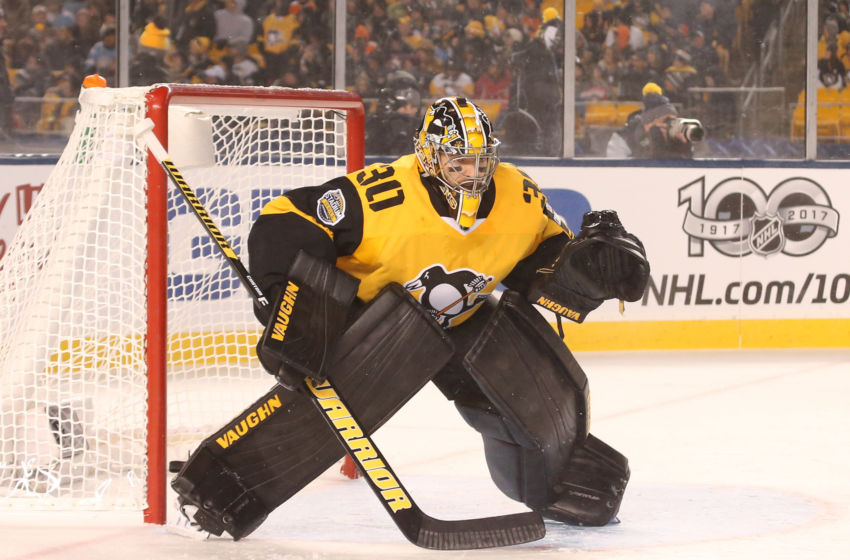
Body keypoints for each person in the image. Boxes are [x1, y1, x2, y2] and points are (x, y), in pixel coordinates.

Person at [170, 97, 650, 541]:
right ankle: (221, 486)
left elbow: (541, 259)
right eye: (457, 161)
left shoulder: (519, 194)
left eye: (481, 162)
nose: (471, 173)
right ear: (427, 156)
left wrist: (584, 271)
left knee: (528, 390)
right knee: (328, 403)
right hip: (377, 323)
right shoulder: (381, 196)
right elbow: (287, 217)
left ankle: (559, 479)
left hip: (467, 318)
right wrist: (289, 297)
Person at [606, 82, 703, 158]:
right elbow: (619, 176)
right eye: (665, 121)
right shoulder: (624, 138)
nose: (669, 125)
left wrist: (684, 151)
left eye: (672, 120)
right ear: (647, 125)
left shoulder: (678, 136)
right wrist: (653, 148)